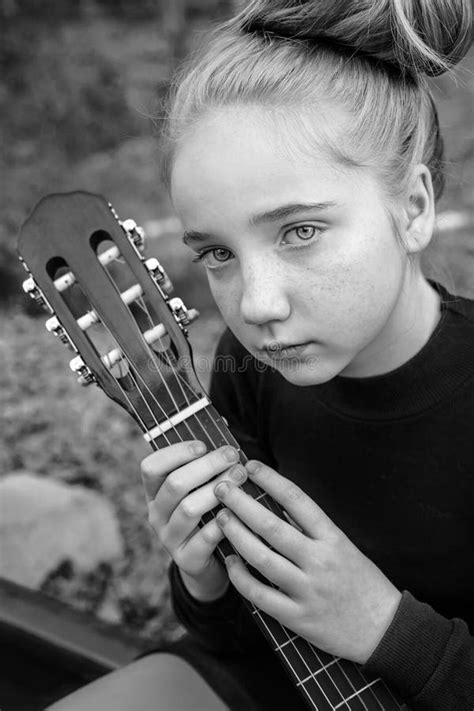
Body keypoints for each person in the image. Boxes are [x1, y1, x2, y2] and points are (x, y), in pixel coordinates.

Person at [47, 0, 473, 709]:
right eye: (217, 253)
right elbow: (239, 637)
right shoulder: (251, 374)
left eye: (299, 231)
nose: (255, 304)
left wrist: (385, 628)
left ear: (415, 207)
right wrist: (204, 576)